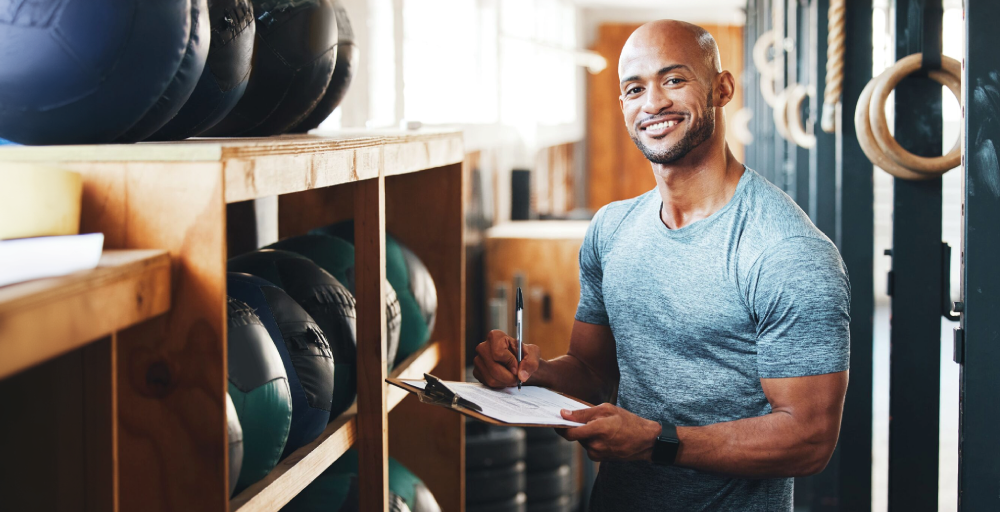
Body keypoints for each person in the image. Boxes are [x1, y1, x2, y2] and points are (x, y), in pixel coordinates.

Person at [473, 20, 851, 511]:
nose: (653, 103)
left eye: (674, 80)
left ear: (722, 88)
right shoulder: (611, 229)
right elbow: (593, 371)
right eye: (635, 88)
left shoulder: (786, 252)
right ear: (623, 105)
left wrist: (656, 441)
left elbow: (809, 439)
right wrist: (532, 372)